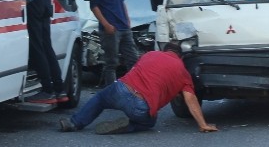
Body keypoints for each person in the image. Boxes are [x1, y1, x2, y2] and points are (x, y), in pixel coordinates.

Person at [58, 42, 218, 134]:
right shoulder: (182, 72)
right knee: (150, 122)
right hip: (140, 106)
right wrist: (202, 124)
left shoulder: (151, 54)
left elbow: (139, 70)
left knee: (99, 99)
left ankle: (74, 123)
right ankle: (130, 125)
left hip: (120, 89)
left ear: (165, 51)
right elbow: (190, 99)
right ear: (180, 56)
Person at [91, 0, 139, 87]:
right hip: (110, 29)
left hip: (124, 26)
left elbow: (121, 0)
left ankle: (134, 89)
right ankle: (110, 92)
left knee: (133, 60)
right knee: (111, 63)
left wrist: (127, 18)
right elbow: (94, 6)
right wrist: (106, 25)